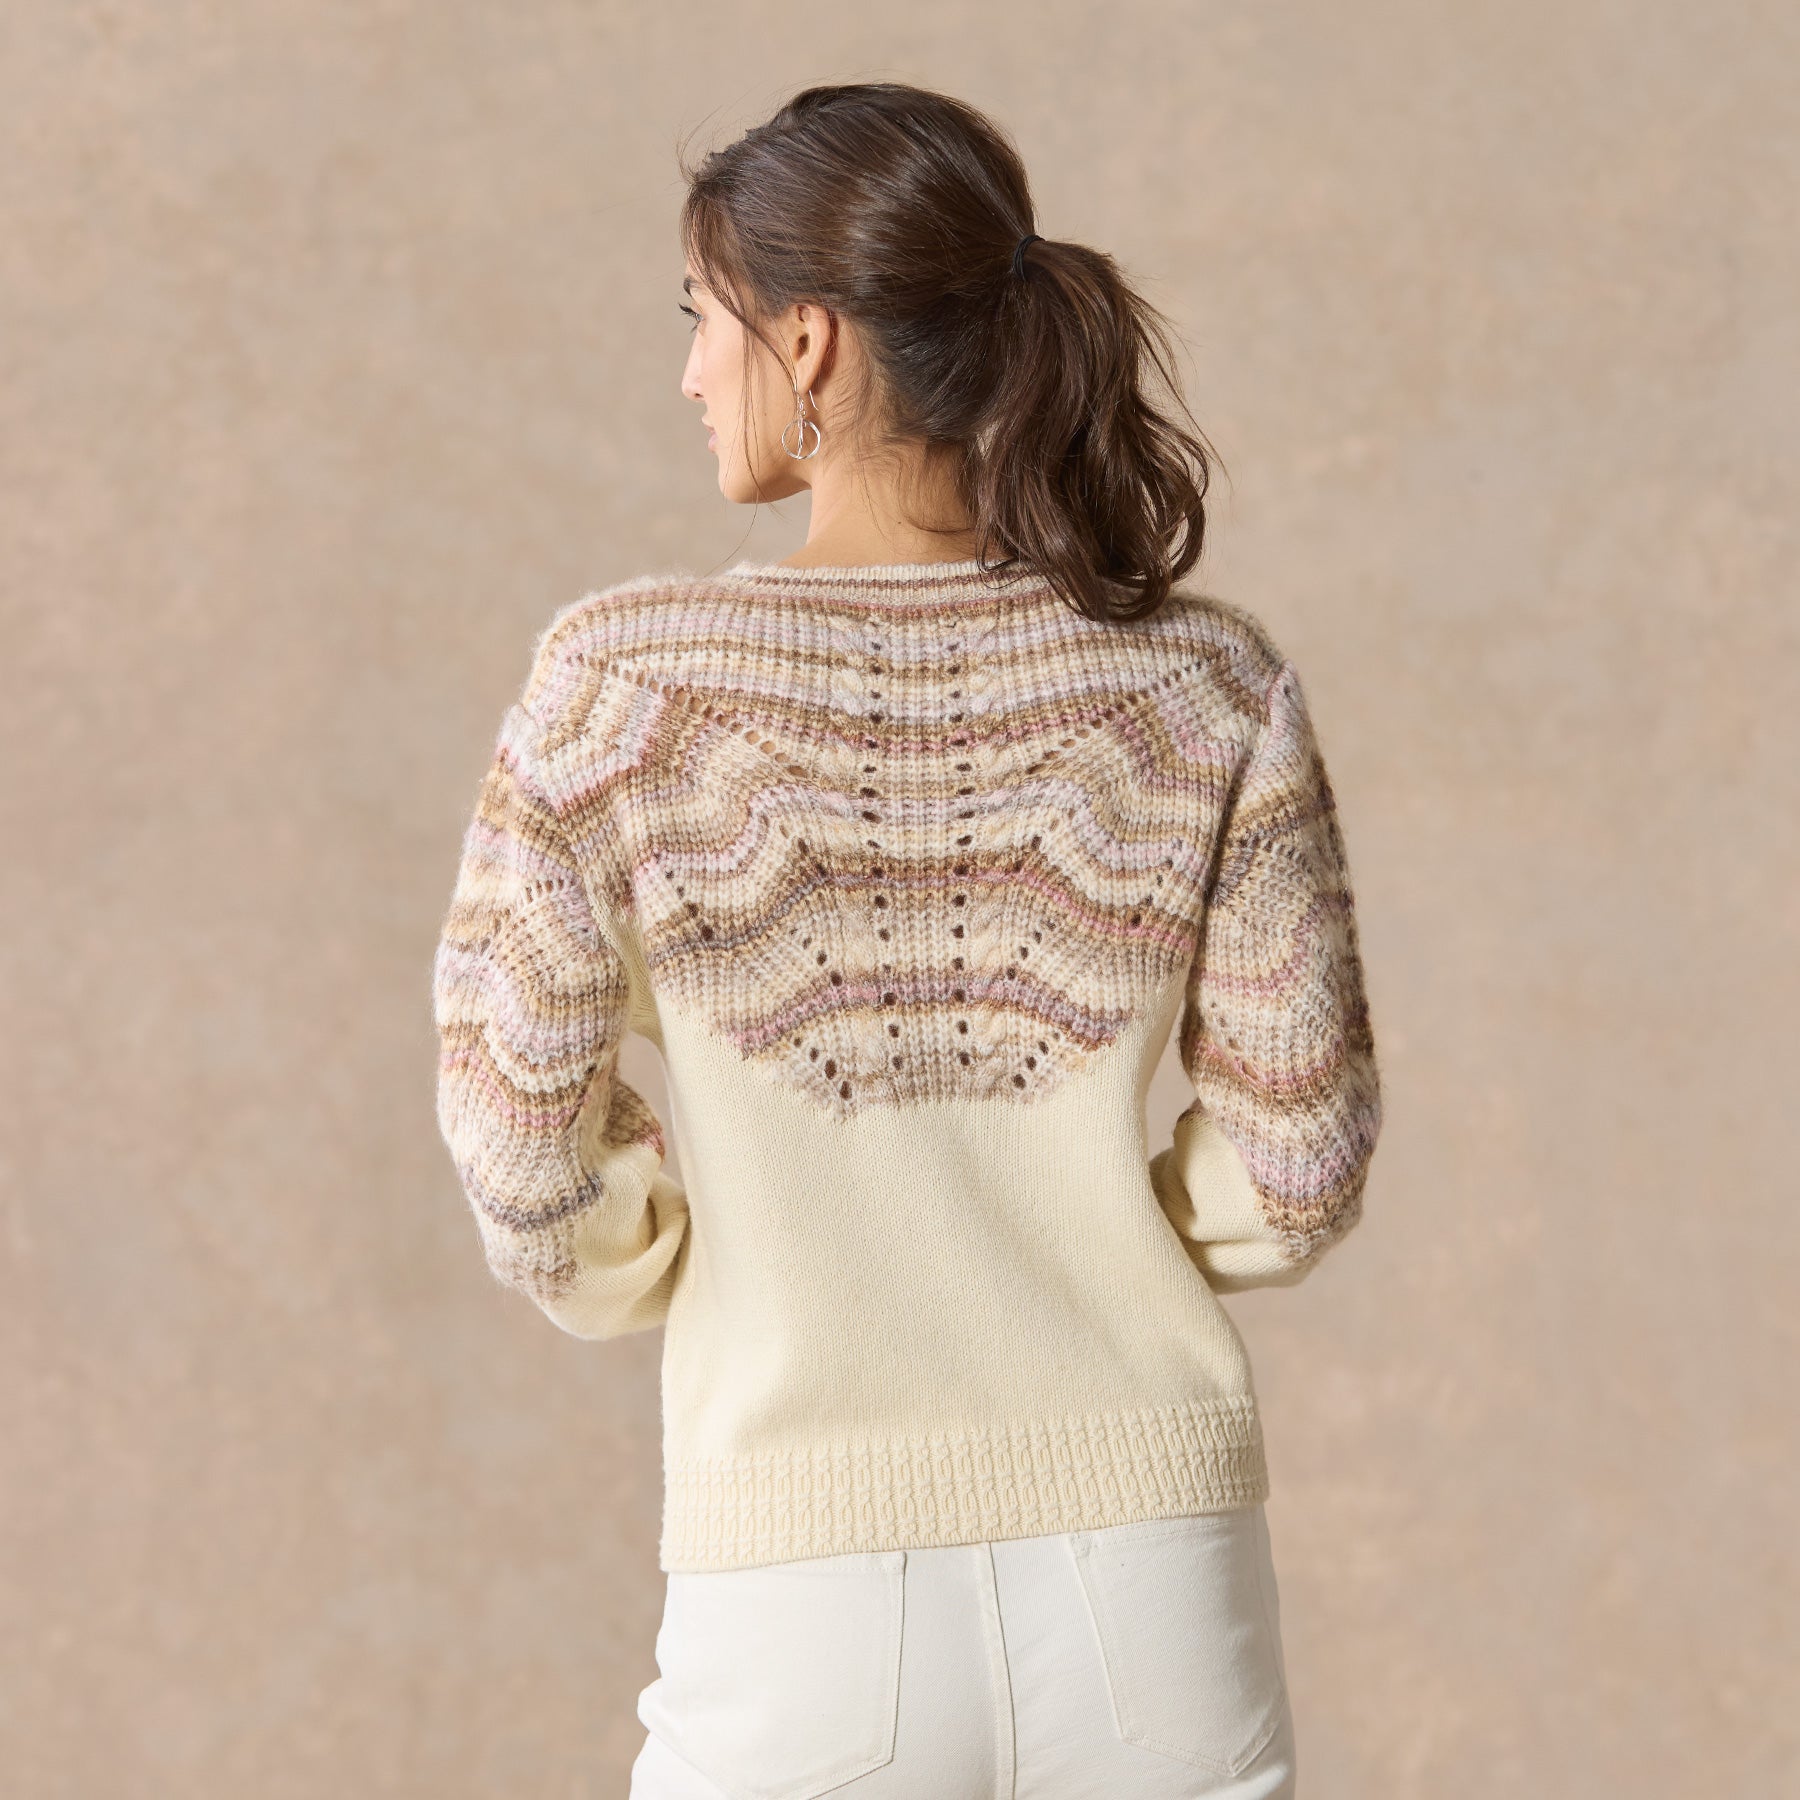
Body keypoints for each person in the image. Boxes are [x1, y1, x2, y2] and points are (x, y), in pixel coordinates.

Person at [431, 79, 1383, 1800]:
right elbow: (1297, 1160)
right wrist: (1092, 1236)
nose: (688, 375)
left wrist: (680, 1255)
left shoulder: (625, 689)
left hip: (801, 1596)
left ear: (805, 342)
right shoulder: (1205, 684)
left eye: (698, 319)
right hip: (1158, 1586)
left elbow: (522, 1156)